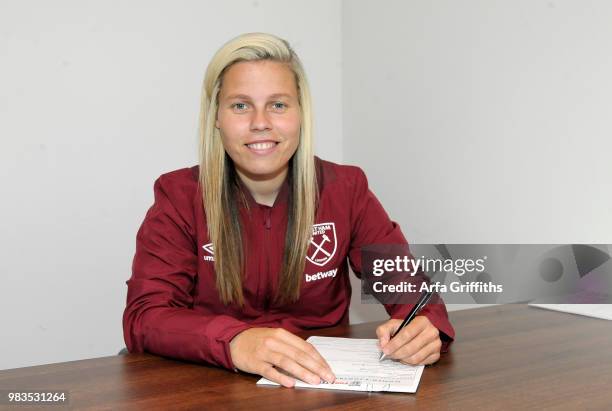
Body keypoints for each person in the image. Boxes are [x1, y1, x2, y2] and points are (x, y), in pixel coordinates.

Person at [123, 32, 455, 388]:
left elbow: (410, 289)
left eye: (278, 105)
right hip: (208, 385)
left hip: (320, 386)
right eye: (240, 105)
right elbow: (145, 318)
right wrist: (234, 341)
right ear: (216, 117)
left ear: (300, 114)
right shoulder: (179, 196)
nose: (260, 122)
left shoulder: (346, 189)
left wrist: (422, 325)